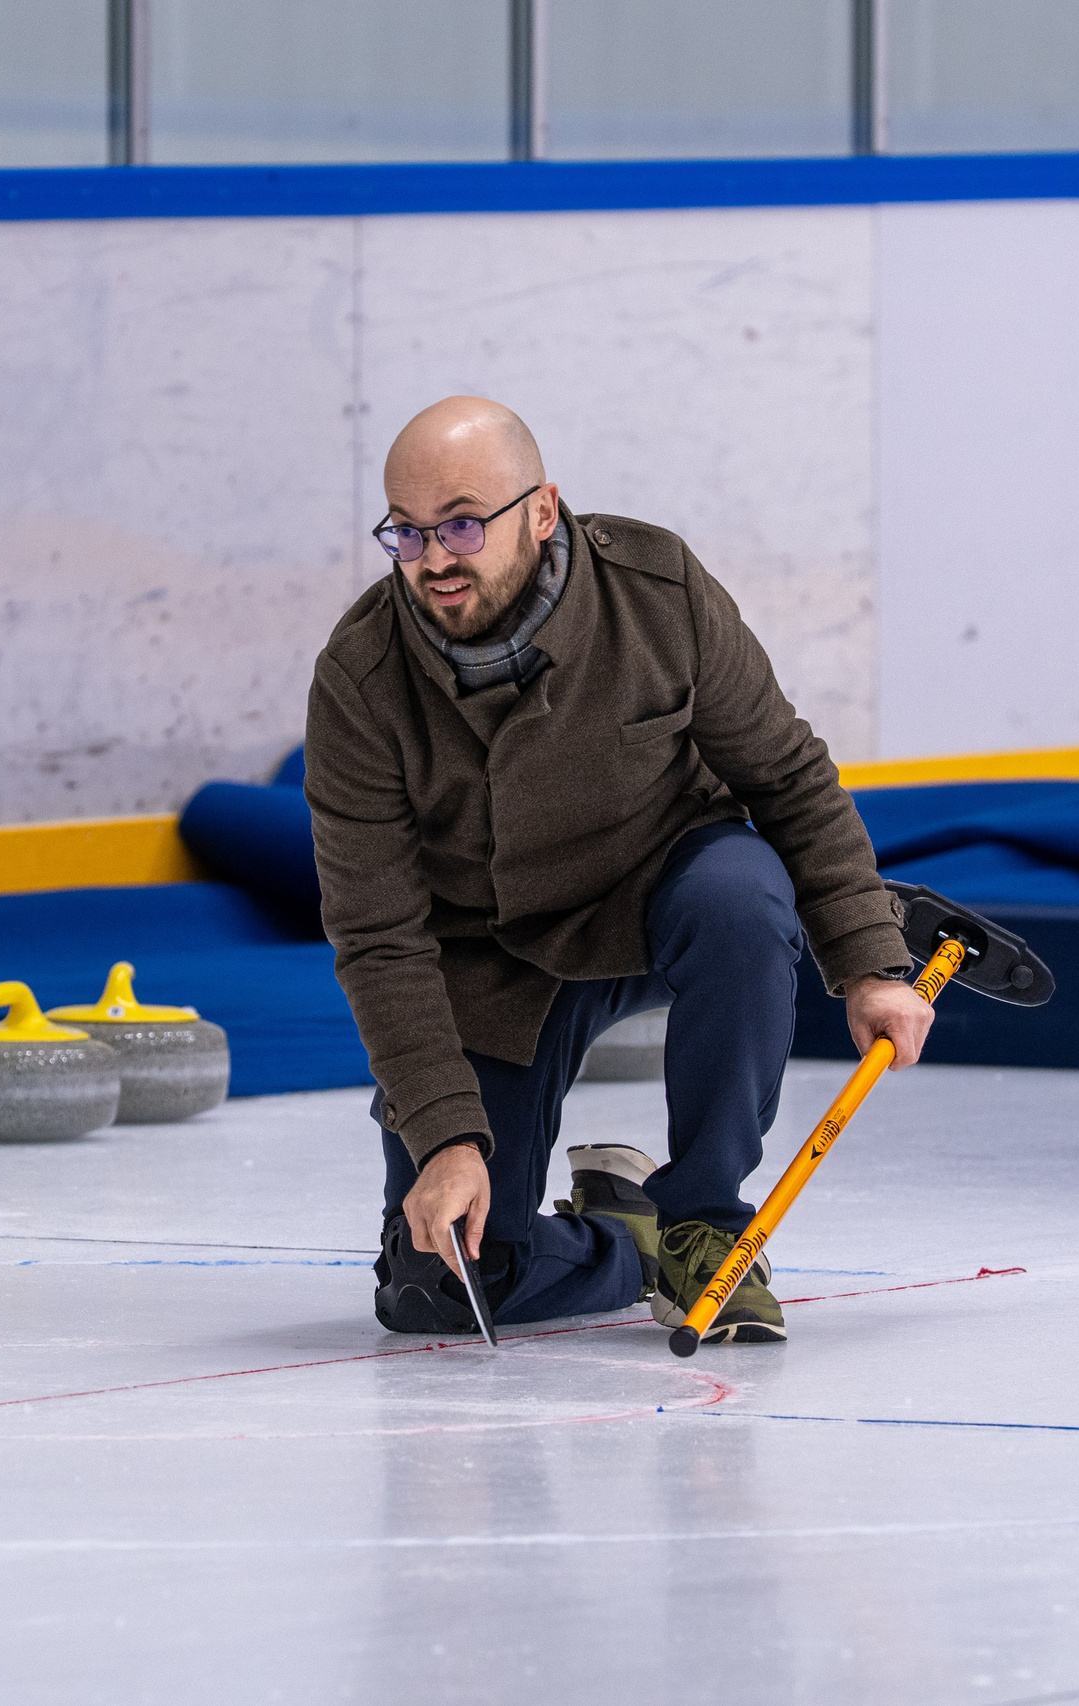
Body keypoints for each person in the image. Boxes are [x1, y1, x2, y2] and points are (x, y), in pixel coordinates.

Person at [302, 396, 936, 1343]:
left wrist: (871, 959)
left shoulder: (656, 591)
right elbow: (379, 936)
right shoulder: (361, 680)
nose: (436, 558)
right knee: (439, 1292)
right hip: (494, 956)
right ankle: (625, 1238)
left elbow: (787, 775)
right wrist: (442, 1135)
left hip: (662, 890)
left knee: (744, 897)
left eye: (465, 523)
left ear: (544, 510)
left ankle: (705, 1223)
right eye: (410, 532)